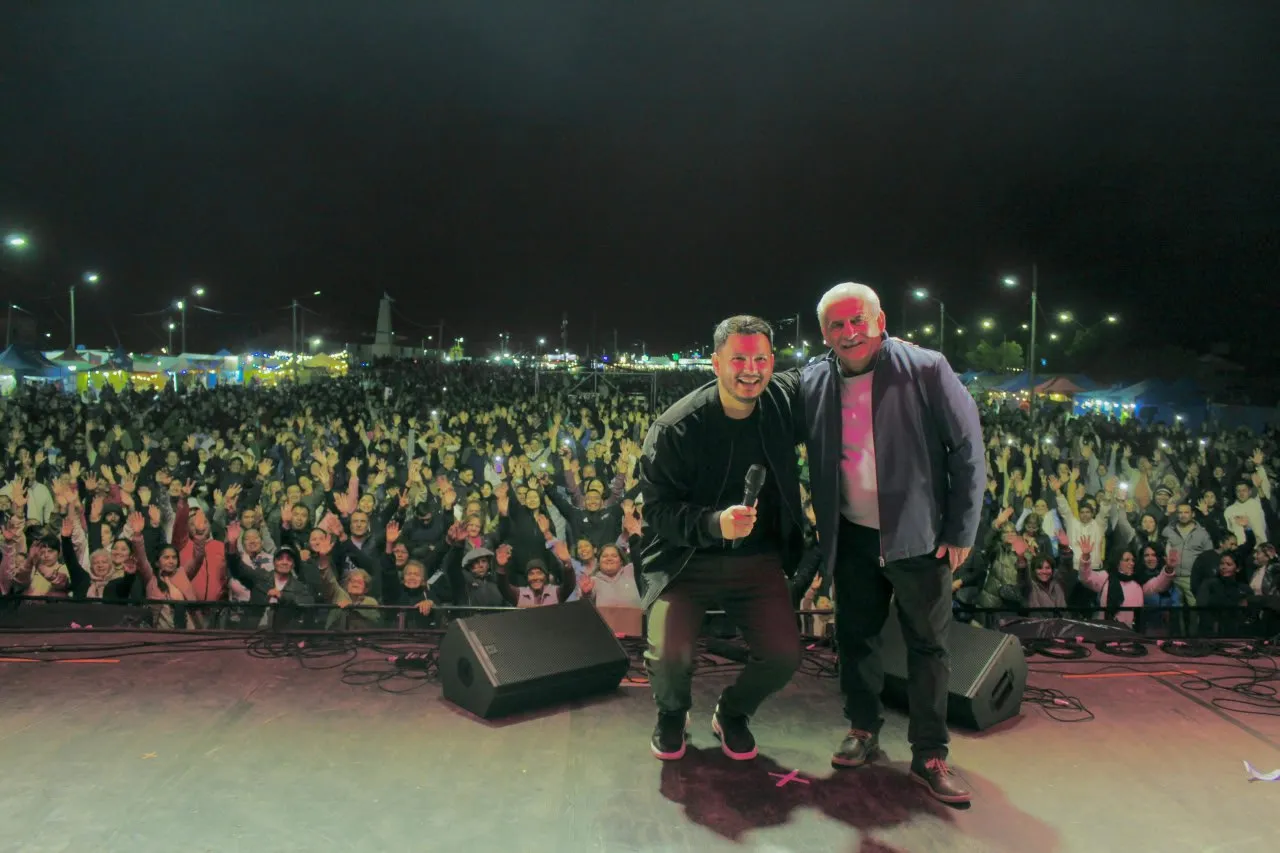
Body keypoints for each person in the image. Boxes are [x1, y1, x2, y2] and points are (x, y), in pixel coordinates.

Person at [796, 282, 985, 804]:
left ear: (880, 321)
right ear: (824, 333)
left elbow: (968, 447)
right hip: (852, 536)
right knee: (855, 640)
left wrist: (961, 529)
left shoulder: (926, 368)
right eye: (836, 325)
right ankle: (862, 728)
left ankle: (929, 754)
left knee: (928, 646)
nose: (849, 332)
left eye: (858, 320)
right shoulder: (814, 380)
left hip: (918, 539)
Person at [639, 315, 807, 761]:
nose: (750, 370)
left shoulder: (782, 403)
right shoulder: (676, 428)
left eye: (759, 359)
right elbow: (654, 511)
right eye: (738, 359)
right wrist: (714, 524)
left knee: (783, 656)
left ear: (773, 362)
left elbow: (831, 364)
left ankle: (732, 713)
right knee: (668, 655)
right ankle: (672, 713)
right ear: (715, 363)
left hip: (757, 560)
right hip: (684, 561)